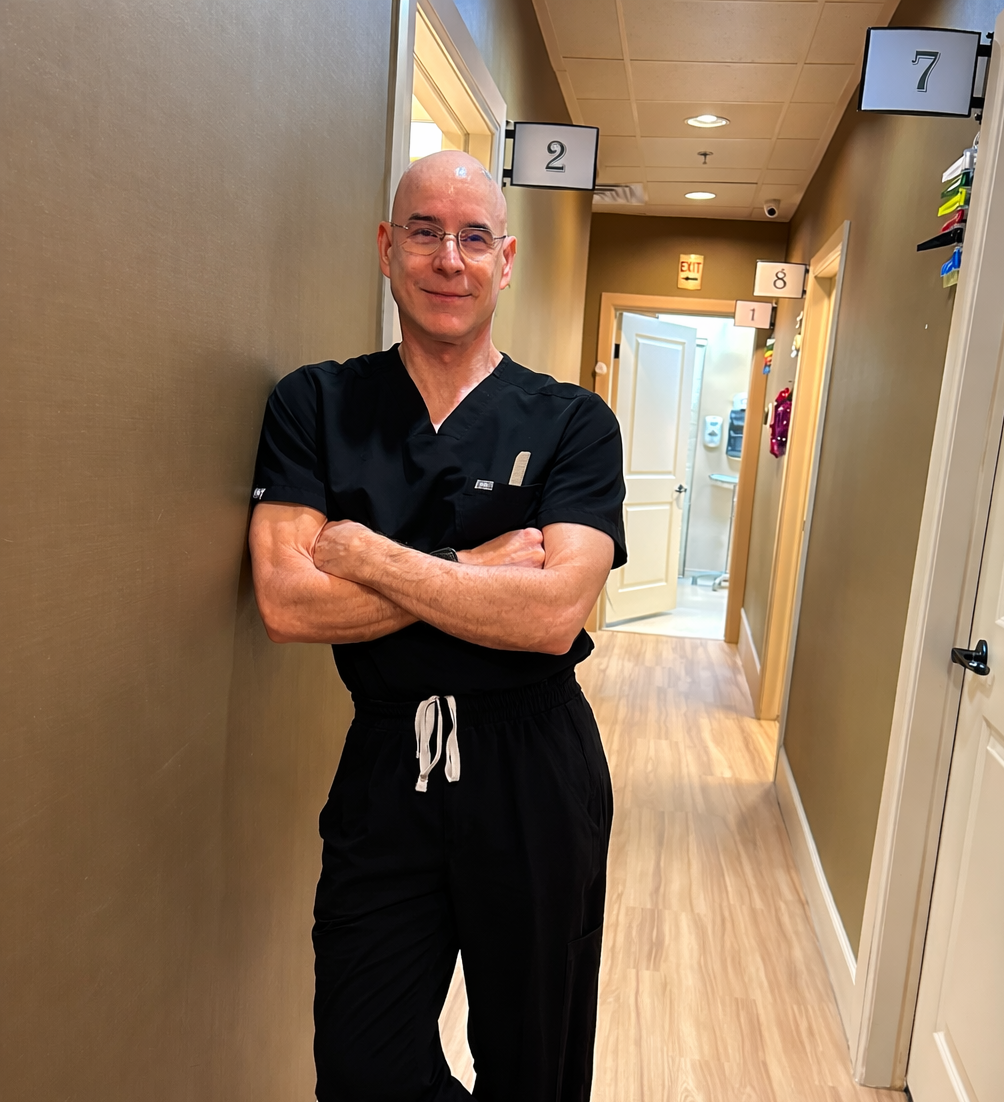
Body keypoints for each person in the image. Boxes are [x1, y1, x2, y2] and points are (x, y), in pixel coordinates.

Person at [247, 149, 626, 1102]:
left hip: (534, 768)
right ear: (387, 247)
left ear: (506, 259)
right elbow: (287, 602)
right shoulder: (315, 403)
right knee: (363, 1068)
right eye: (424, 233)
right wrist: (474, 567)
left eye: (473, 238)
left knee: (533, 1066)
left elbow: (553, 614)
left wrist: (367, 555)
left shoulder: (574, 422)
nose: (448, 259)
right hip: (387, 762)